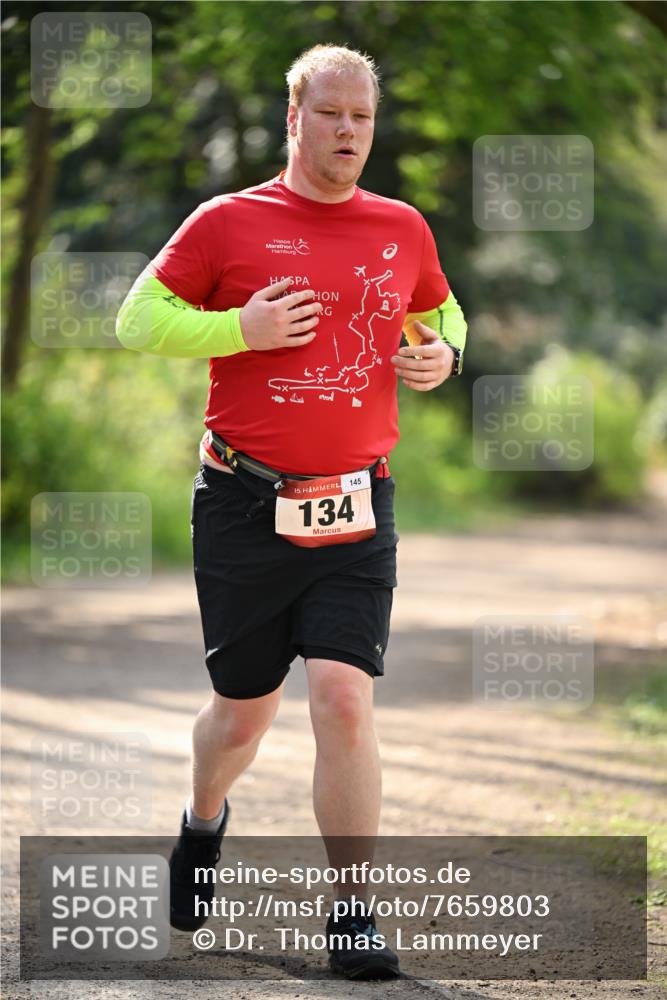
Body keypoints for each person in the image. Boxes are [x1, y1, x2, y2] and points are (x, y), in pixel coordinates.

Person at [116, 43, 467, 981]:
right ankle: (201, 821)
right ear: (294, 120)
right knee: (241, 715)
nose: (349, 131)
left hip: (357, 502)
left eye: (362, 117)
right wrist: (242, 329)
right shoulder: (227, 222)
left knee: (345, 699)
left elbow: (441, 314)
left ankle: (350, 914)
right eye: (331, 114)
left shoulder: (400, 227)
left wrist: (442, 356)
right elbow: (137, 320)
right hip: (241, 500)